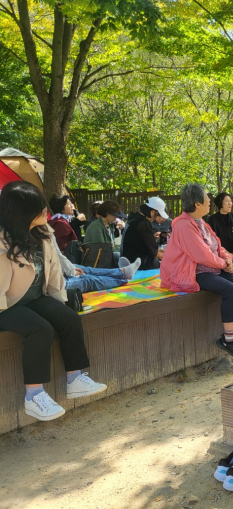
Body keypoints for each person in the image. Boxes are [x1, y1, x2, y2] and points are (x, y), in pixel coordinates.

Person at [0, 181, 107, 422]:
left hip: (33, 297)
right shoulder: (2, 239)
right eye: (38, 209)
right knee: (40, 329)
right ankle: (34, 396)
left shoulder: (43, 232)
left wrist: (58, 300)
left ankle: (75, 379)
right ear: (20, 212)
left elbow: (54, 270)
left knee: (68, 318)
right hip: (4, 304)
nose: (44, 212)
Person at [160, 184, 233, 362]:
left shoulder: (201, 222)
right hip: (191, 272)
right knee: (231, 289)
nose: (210, 200)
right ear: (197, 204)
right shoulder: (183, 225)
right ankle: (229, 339)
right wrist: (223, 264)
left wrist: (227, 260)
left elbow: (217, 245)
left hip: (211, 267)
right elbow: (200, 254)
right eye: (206, 198)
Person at [53, 235, 141, 293]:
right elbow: (58, 257)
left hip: (54, 272)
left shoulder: (44, 230)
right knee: (86, 279)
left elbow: (58, 257)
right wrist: (70, 271)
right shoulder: (45, 232)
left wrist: (70, 269)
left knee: (85, 269)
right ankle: (122, 278)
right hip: (53, 281)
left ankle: (122, 272)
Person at [122, 196, 167, 270]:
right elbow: (154, 252)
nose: (156, 218)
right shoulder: (143, 223)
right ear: (152, 212)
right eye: (157, 214)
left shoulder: (133, 219)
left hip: (129, 261)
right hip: (140, 265)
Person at [84, 200, 128, 265]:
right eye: (115, 215)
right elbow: (102, 248)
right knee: (117, 255)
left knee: (124, 254)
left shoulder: (110, 225)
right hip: (96, 260)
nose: (116, 218)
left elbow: (112, 245)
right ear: (108, 214)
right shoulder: (96, 227)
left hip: (106, 256)